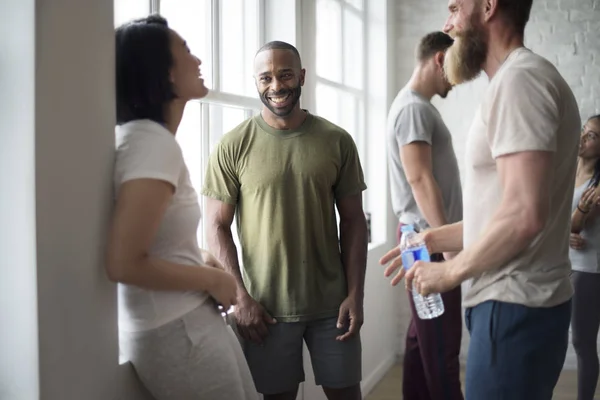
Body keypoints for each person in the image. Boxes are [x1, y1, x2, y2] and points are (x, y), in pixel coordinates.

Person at [380, 0, 581, 398]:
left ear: (488, 6)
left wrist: (450, 272)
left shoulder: (519, 81)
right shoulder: (517, 79)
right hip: (514, 307)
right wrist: (435, 240)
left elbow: (524, 214)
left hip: (512, 306)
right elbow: (500, 212)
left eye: (455, 7)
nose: (447, 21)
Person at [202, 41, 368, 400]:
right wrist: (240, 298)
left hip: (333, 305)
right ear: (256, 82)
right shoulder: (233, 146)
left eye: (285, 74)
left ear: (302, 76)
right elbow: (215, 226)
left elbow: (354, 221)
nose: (276, 86)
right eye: (266, 77)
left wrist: (356, 294)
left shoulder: (337, 141)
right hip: (265, 310)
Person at [106, 15, 258, 400]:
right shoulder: (151, 143)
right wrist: (214, 280)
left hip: (185, 323)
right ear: (164, 73)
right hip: (176, 331)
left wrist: (203, 261)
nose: (198, 61)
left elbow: (158, 244)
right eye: (186, 52)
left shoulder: (146, 140)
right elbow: (124, 263)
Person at [385, 31, 464, 400]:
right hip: (427, 240)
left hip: (422, 236)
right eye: (454, 66)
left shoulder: (415, 105)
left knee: (422, 340)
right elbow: (419, 179)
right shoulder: (414, 108)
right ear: (438, 58)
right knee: (441, 347)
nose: (457, 77)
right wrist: (449, 251)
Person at [569, 115, 600, 400]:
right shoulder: (566, 169)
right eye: (584, 131)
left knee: (582, 342)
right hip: (563, 263)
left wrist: (567, 227)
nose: (583, 138)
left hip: (589, 269)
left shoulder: (597, 183)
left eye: (591, 136)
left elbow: (579, 224)